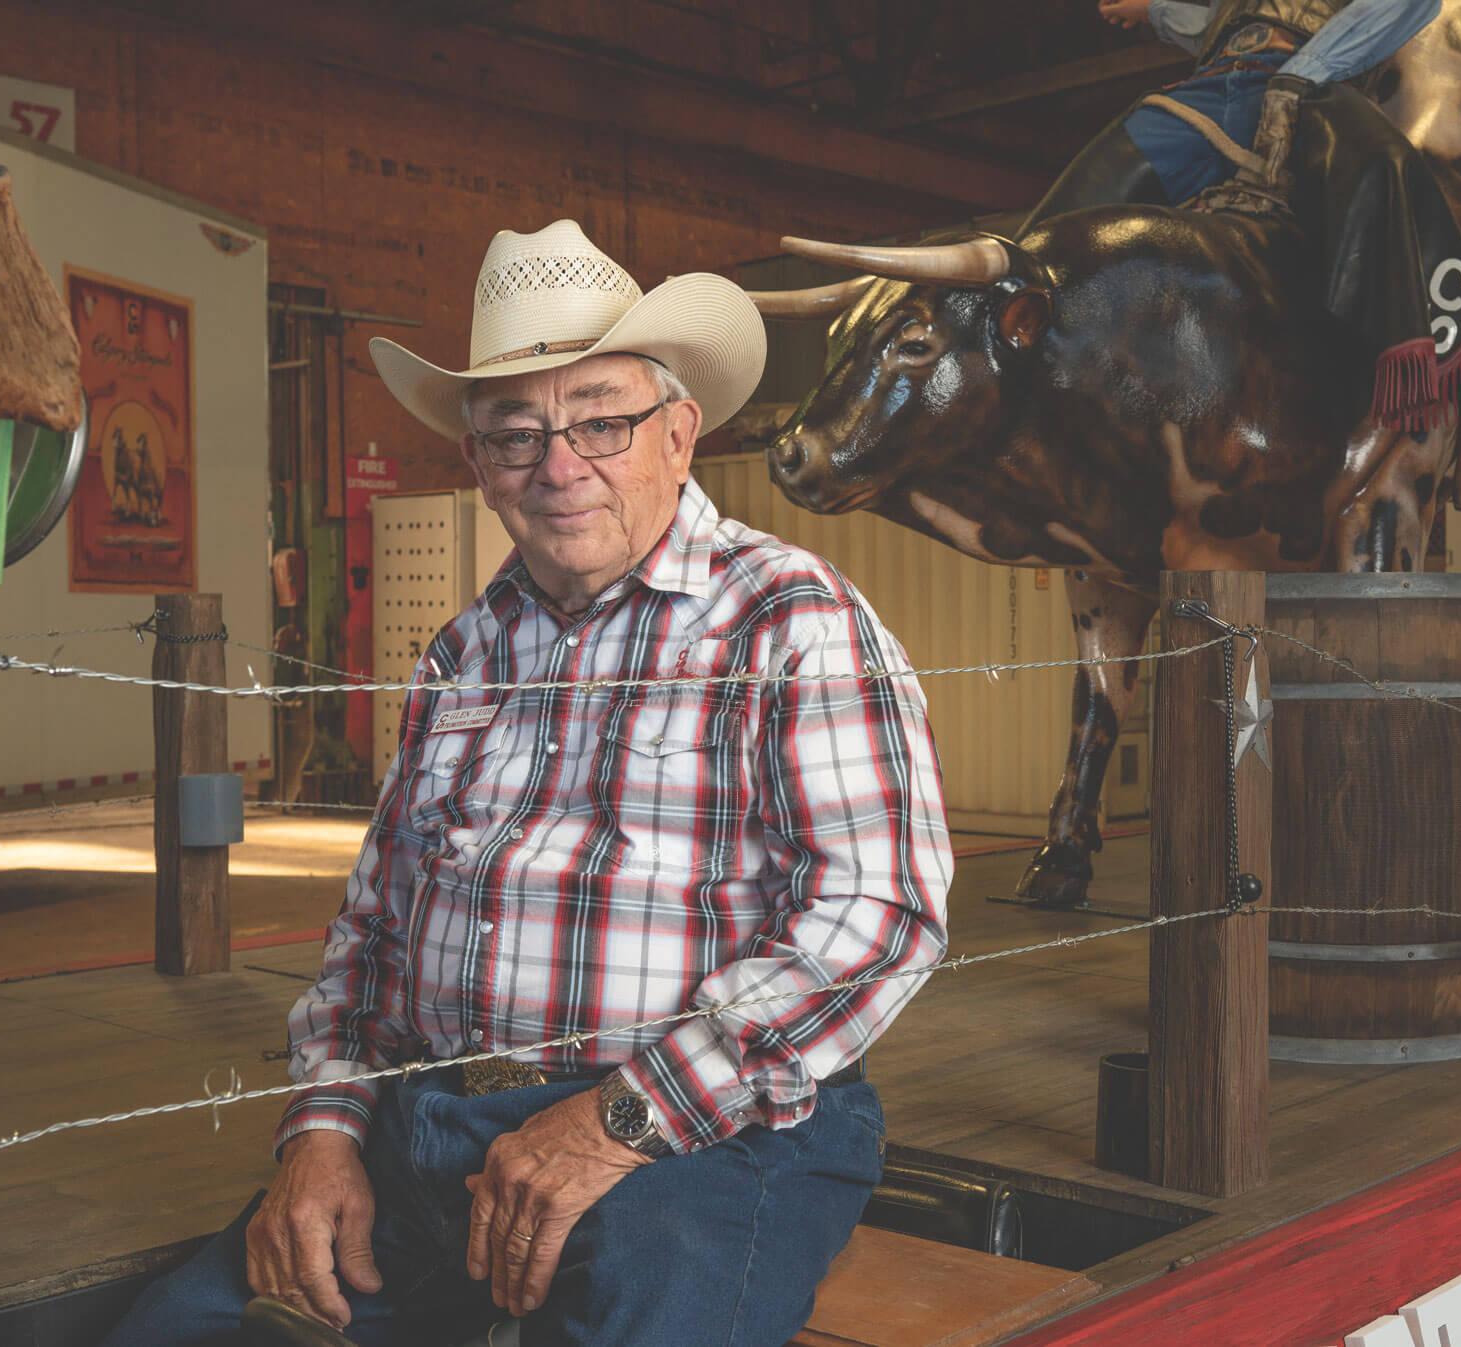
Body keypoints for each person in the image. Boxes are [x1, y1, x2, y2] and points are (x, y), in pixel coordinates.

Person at [103, 220, 953, 1347]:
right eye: (517, 436)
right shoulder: (465, 654)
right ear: (479, 466)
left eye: (603, 422)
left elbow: (880, 917)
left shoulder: (787, 616)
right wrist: (322, 1130)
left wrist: (615, 1123)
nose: (561, 466)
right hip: (438, 1123)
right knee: (178, 1332)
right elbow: (373, 931)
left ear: (679, 433)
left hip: (712, 1135)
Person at [1093, 0, 1441, 208]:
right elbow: (1223, 26)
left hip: (1312, 95)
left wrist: (1301, 75)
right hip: (1210, 89)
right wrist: (1155, 11)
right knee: (1081, 205)